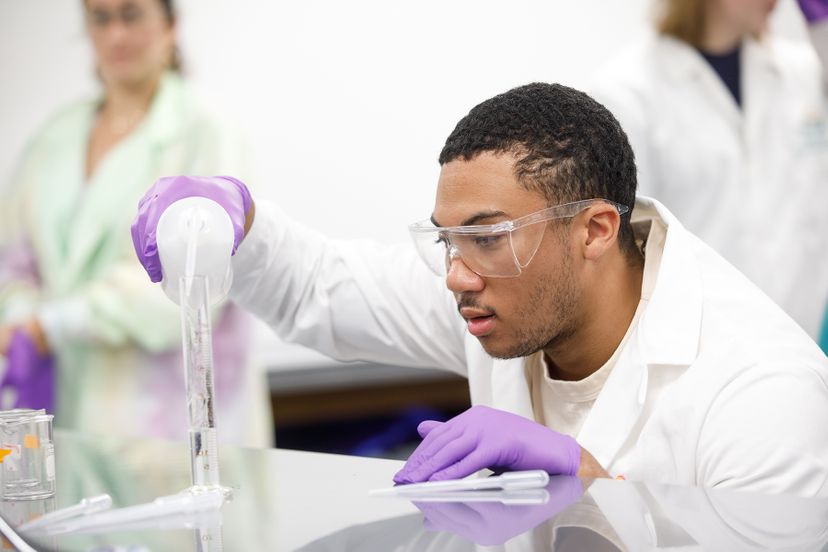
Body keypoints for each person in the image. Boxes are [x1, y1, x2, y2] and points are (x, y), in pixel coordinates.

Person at [132, 83, 828, 497]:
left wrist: (592, 486)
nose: (456, 274)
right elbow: (320, 286)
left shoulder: (762, 392)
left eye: (487, 236)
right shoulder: (503, 294)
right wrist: (235, 216)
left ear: (593, 230)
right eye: (446, 238)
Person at [0, 0, 271, 447]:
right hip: (73, 413)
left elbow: (194, 281)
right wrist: (22, 317)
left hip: (177, 426)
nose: (116, 36)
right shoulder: (54, 138)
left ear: (169, 25)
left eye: (131, 15)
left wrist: (55, 324)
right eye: (101, 19)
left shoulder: (207, 131)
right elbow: (14, 259)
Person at [589, 0, 828, 342]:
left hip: (804, 342)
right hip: (702, 351)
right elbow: (623, 247)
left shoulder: (801, 71)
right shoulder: (627, 92)